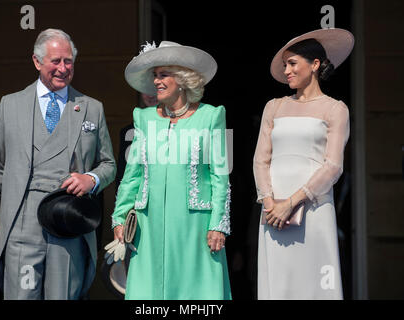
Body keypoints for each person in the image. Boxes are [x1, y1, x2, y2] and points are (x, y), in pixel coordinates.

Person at [0, 28, 116, 300]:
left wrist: (91, 179)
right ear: (37, 62)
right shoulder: (10, 105)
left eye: (69, 61)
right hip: (22, 221)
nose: (63, 68)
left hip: (68, 221)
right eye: (56, 61)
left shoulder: (90, 107)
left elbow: (108, 164)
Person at [111, 41, 232, 299]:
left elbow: (221, 176)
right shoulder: (142, 118)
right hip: (149, 225)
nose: (156, 81)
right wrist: (119, 216)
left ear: (183, 78)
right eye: (155, 75)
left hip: (195, 227)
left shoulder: (213, 116)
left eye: (163, 74)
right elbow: (133, 174)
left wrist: (218, 224)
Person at [253, 28, 354, 299]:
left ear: (315, 64)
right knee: (279, 280)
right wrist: (270, 201)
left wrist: (293, 202)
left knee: (314, 282)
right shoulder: (273, 106)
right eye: (285, 64)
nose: (286, 70)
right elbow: (260, 160)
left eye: (292, 63)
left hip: (313, 208)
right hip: (273, 212)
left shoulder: (335, 109)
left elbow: (333, 166)